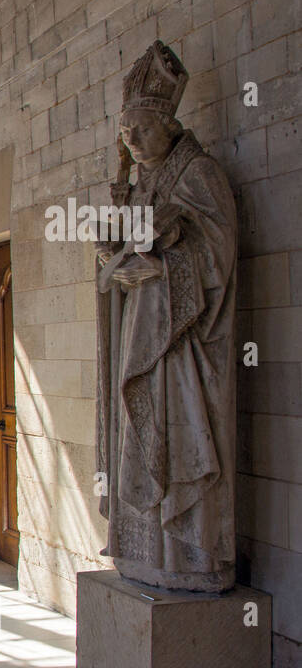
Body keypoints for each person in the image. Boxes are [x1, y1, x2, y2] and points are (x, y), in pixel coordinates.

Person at [94, 40, 237, 593]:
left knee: (177, 438)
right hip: (141, 331)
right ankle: (142, 547)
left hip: (181, 344)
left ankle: (188, 556)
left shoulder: (198, 174)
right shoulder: (141, 186)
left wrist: (158, 267)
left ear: (169, 125)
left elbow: (217, 254)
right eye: (125, 129)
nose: (130, 138)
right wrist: (112, 259)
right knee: (139, 427)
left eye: (141, 127)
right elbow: (129, 252)